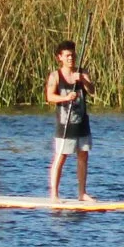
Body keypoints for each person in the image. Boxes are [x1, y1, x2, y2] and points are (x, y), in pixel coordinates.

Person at [45, 40, 96, 202]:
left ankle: (82, 193)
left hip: (82, 123)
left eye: (72, 55)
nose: (70, 58)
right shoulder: (55, 76)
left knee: (83, 156)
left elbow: (92, 91)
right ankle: (54, 194)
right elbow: (49, 97)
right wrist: (66, 97)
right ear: (59, 57)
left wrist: (83, 80)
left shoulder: (82, 72)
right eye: (67, 56)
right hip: (65, 124)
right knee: (61, 156)